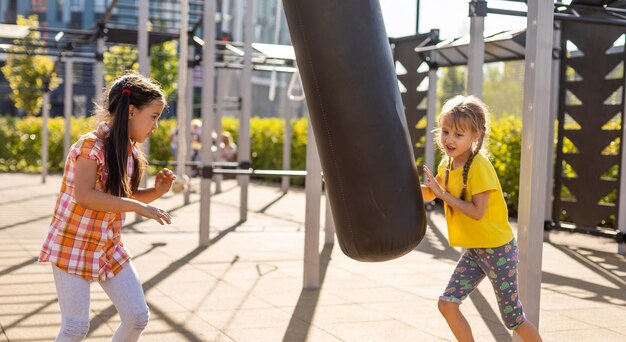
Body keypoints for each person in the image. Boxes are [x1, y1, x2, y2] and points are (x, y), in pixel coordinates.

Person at [39, 72, 176, 342]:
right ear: (132, 111)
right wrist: (136, 206)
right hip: (73, 245)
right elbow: (85, 195)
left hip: (108, 247)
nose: (155, 126)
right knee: (76, 327)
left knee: (137, 317)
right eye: (154, 116)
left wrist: (156, 192)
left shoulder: (130, 152)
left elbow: (121, 196)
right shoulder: (91, 146)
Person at [421, 95, 542, 342]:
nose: (449, 139)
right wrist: (400, 186)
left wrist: (442, 193)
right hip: (476, 250)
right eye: (445, 132)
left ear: (475, 135)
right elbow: (430, 195)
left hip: (499, 250)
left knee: (513, 318)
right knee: (447, 304)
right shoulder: (447, 164)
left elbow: (477, 212)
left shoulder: (479, 165)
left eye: (458, 134)